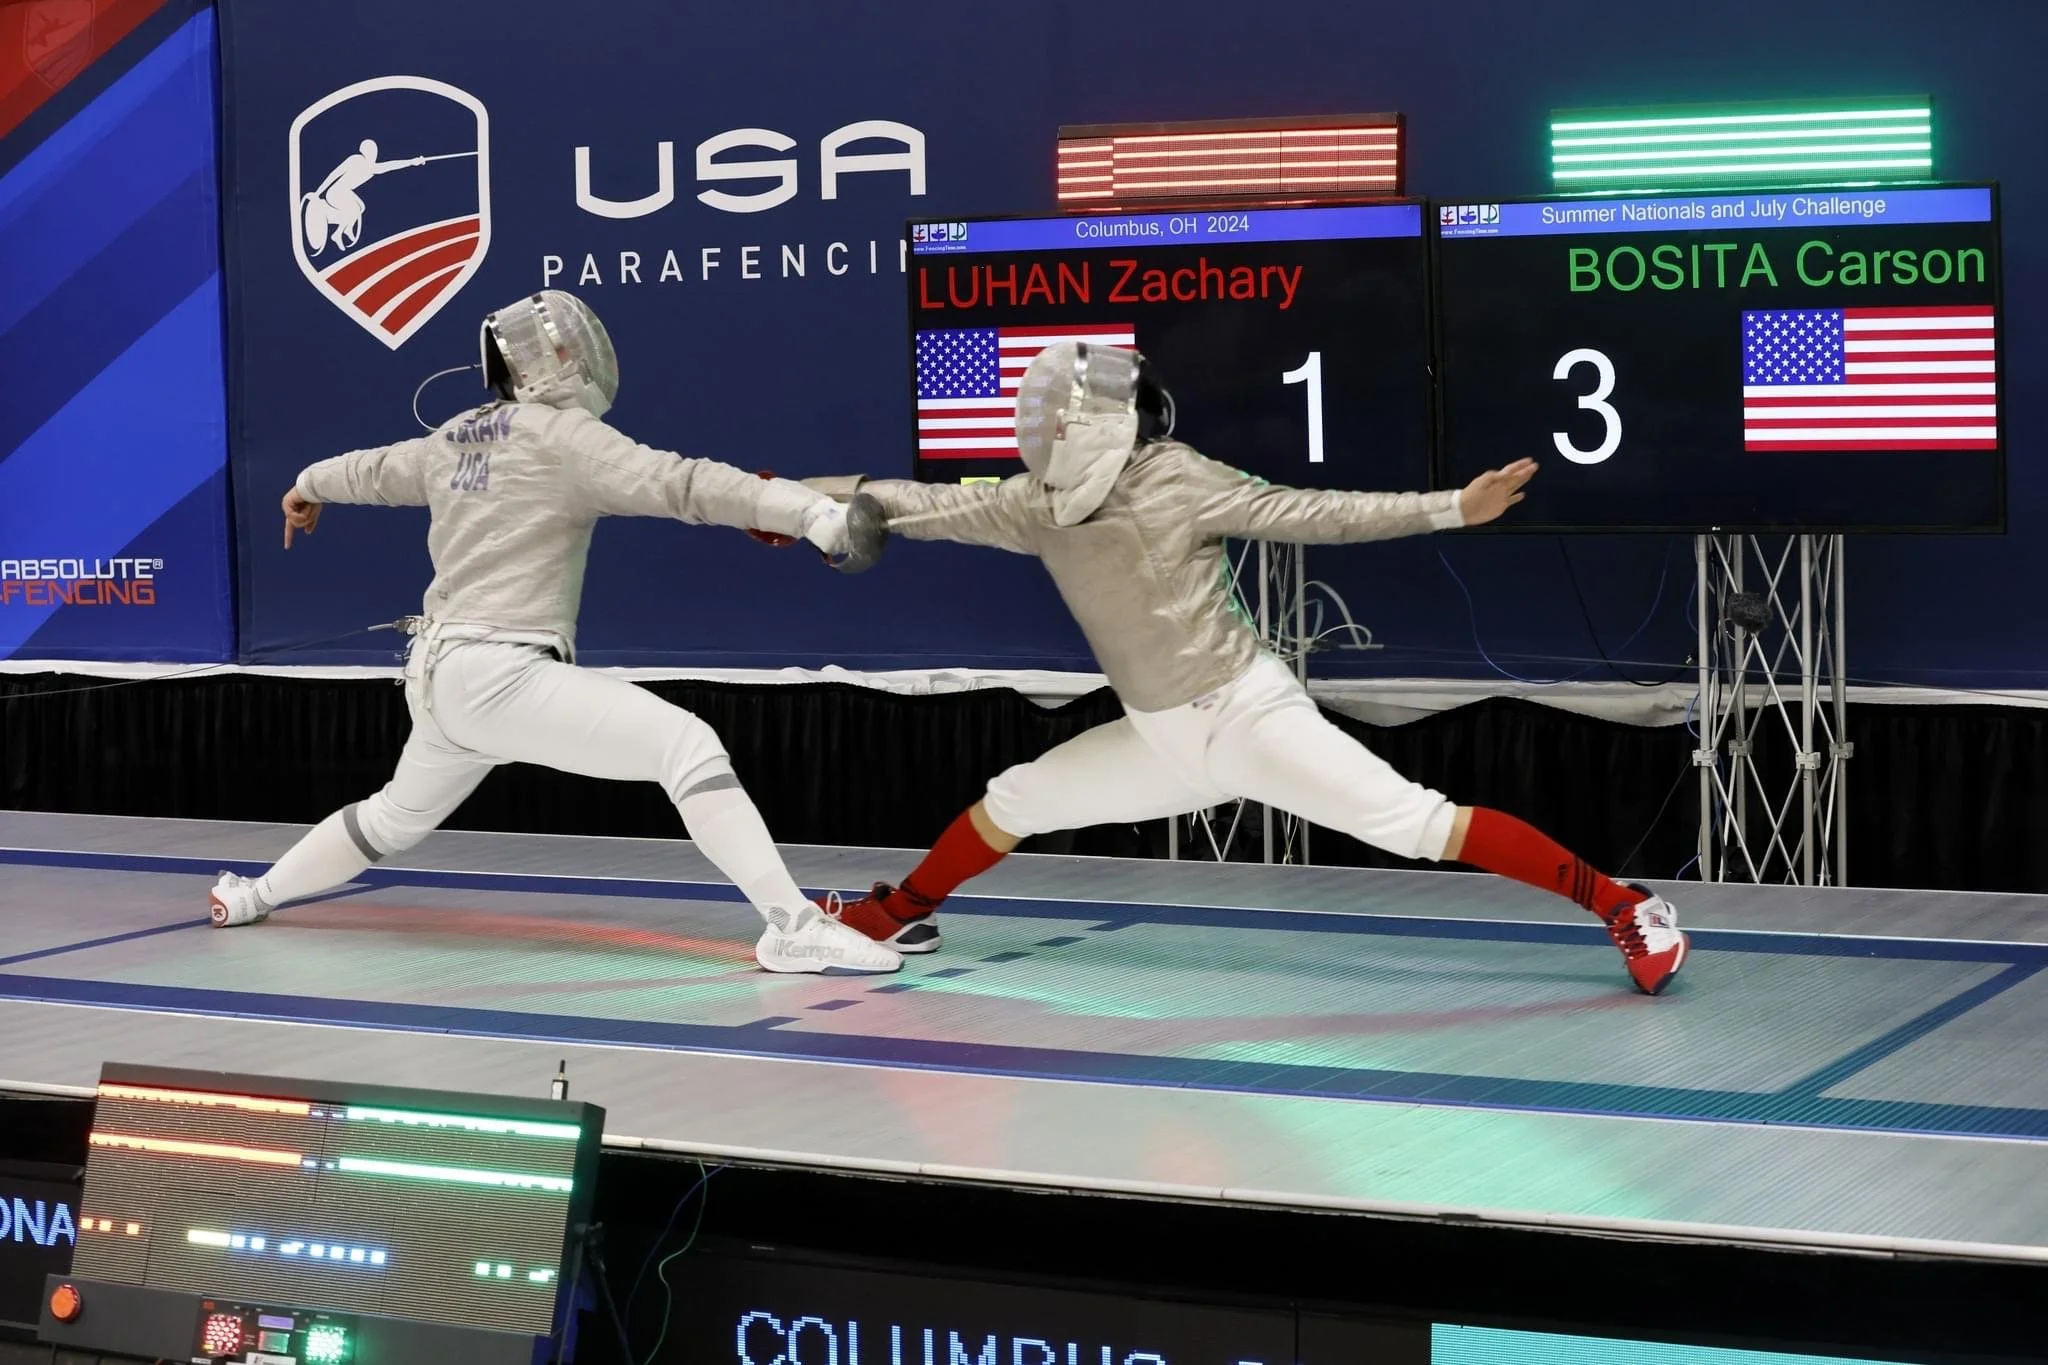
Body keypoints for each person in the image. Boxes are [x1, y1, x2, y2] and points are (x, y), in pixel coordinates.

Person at [811, 342, 1687, 994]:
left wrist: (1451, 508)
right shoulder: (1033, 506)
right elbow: (908, 504)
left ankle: (1625, 904)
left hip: (1247, 715)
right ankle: (897, 914)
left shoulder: (1177, 476)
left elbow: (1308, 512)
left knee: (1418, 825)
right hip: (1159, 737)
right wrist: (789, 500)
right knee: (1016, 799)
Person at [208, 290, 902, 976]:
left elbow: (368, 470)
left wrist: (305, 485)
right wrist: (813, 514)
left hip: (438, 678)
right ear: (556, 361)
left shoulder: (453, 435)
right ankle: (793, 926)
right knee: (687, 745)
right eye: (568, 348)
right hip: (499, 675)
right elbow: (683, 484)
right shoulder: (564, 436)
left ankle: (250, 896)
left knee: (391, 819)